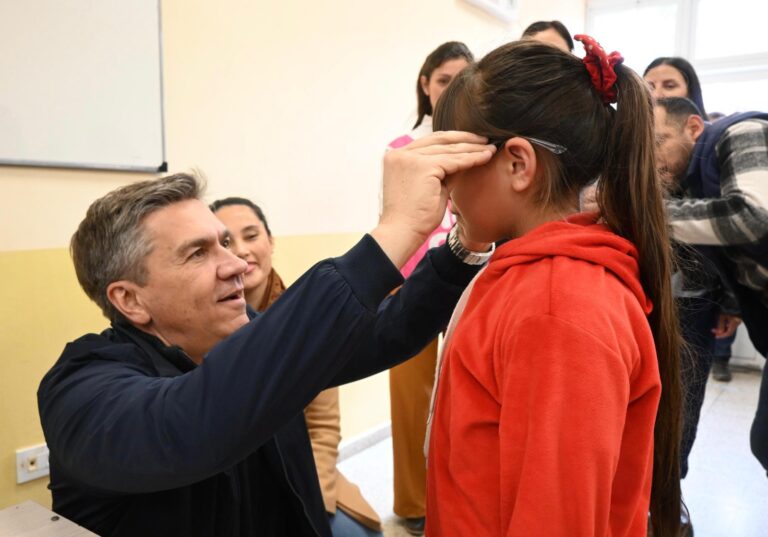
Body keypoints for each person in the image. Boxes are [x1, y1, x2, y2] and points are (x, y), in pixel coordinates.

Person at [37, 131, 497, 537]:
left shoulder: (248, 332)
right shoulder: (80, 391)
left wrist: (466, 242)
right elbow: (191, 423)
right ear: (130, 300)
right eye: (198, 253)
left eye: (224, 243)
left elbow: (384, 332)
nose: (237, 264)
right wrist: (395, 230)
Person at [425, 36, 682, 537]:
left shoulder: (556, 308)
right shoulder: (533, 280)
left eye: (453, 162)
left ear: (517, 164)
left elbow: (556, 519)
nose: (445, 186)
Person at [211, 197, 383, 537]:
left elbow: (322, 429)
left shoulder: (307, 320)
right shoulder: (200, 327)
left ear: (270, 241)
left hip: (303, 479)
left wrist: (306, 506)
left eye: (251, 235)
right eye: (227, 242)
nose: (242, 251)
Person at [385, 40, 473, 536]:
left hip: (472, 281)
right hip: (409, 285)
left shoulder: (483, 144)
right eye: (443, 80)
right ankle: (413, 503)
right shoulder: (403, 149)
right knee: (410, 401)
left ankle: (459, 498)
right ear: (426, 85)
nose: (451, 89)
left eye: (462, 80)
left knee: (466, 397)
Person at [653, 96, 768, 473]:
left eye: (658, 141)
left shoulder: (741, 133)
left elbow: (753, 216)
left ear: (693, 127)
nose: (652, 158)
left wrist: (645, 213)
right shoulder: (688, 182)